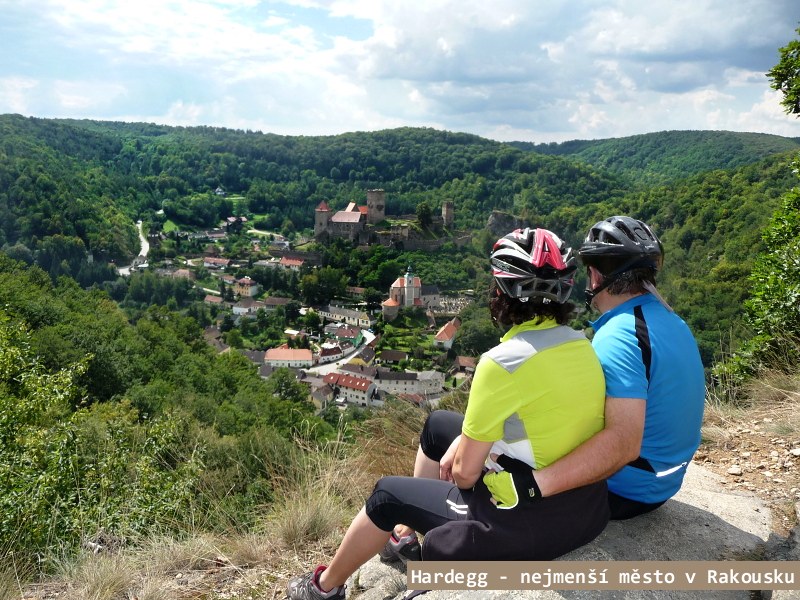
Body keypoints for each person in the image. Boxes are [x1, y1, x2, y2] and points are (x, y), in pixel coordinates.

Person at [286, 227, 609, 600]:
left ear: (502, 293)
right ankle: (406, 536)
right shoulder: (582, 345)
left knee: (386, 495)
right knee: (439, 425)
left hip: (525, 519)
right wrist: (472, 442)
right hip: (582, 507)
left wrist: (470, 455)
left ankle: (321, 589)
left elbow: (465, 475)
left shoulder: (502, 363)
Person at [485, 216, 705, 520]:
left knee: (481, 443)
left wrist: (534, 485)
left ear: (595, 277)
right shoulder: (672, 321)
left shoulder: (618, 336)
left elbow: (623, 444)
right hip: (662, 483)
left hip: (623, 492)